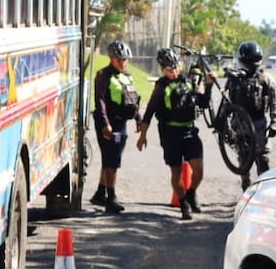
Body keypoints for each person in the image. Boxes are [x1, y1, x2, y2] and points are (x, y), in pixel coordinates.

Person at [136, 47, 212, 220]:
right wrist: (143, 135)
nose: (174, 71)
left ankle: (191, 193)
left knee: (198, 170)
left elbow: (203, 103)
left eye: (175, 67)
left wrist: (208, 85)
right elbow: (149, 112)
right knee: (176, 173)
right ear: (162, 70)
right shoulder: (161, 86)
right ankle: (184, 203)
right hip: (170, 134)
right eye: (169, 69)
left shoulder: (188, 81)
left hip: (190, 131)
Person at [90, 40, 142, 213]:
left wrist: (138, 118)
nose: (123, 62)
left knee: (111, 159)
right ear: (111, 59)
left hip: (122, 123)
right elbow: (100, 101)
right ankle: (111, 198)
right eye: (119, 59)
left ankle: (100, 193)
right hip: (108, 123)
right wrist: (105, 124)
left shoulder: (127, 75)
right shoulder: (103, 75)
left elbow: (133, 99)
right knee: (112, 161)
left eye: (125, 59)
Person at [227, 40, 276, 188]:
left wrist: (274, 122)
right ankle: (246, 186)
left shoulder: (266, 79)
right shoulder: (235, 80)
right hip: (239, 124)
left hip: (259, 124)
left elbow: (274, 102)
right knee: (244, 159)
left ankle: (264, 189)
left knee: (262, 159)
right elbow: (227, 103)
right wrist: (226, 128)